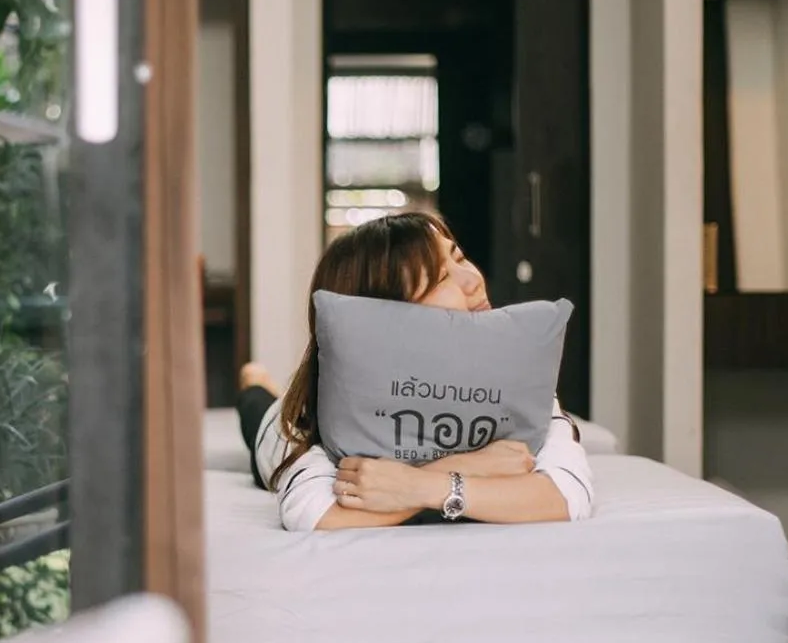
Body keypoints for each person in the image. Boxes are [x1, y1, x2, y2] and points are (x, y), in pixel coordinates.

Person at [237, 211, 594, 532]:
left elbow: (567, 495)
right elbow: (316, 513)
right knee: (258, 409)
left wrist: (421, 486)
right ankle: (254, 379)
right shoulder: (317, 412)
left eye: (461, 257)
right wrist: (474, 468)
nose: (472, 279)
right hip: (274, 427)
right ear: (389, 316)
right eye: (440, 279)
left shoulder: (513, 376)